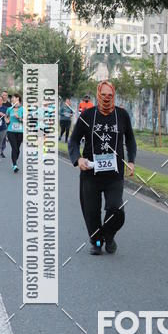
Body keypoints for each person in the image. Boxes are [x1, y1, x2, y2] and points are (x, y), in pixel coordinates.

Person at [68, 80, 136, 255]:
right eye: (103, 95)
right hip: (90, 173)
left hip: (114, 174)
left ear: (114, 95)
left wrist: (132, 160)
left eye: (110, 95)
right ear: (98, 95)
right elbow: (73, 140)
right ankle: (97, 241)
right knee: (91, 212)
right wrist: (78, 159)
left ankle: (109, 235)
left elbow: (130, 139)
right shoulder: (88, 115)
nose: (107, 98)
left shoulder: (122, 115)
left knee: (116, 209)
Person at [5, 94, 24, 172]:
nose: (12, 99)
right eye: (11, 98)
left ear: (17, 98)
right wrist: (7, 120)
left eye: (13, 97)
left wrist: (19, 118)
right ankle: (15, 165)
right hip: (10, 131)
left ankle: (14, 161)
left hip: (20, 131)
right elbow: (6, 117)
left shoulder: (23, 109)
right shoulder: (9, 109)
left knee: (18, 149)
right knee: (14, 148)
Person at [0, 91, 11, 158]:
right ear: (1, 95)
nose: (4, 96)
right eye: (3, 95)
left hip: (5, 123)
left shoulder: (9, 105)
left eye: (6, 95)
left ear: (7, 96)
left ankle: (1, 151)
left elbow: (10, 114)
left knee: (3, 138)